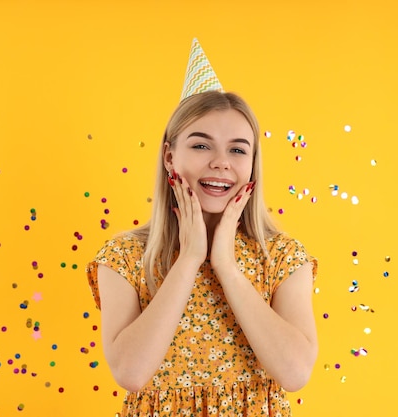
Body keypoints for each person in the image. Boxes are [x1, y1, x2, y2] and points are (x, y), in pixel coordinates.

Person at [86, 89, 318, 416]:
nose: (220, 162)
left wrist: (225, 265)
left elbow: (295, 373)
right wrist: (190, 259)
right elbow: (130, 373)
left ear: (253, 165)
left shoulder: (280, 255)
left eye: (237, 150)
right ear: (169, 157)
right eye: (200, 145)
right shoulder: (125, 255)